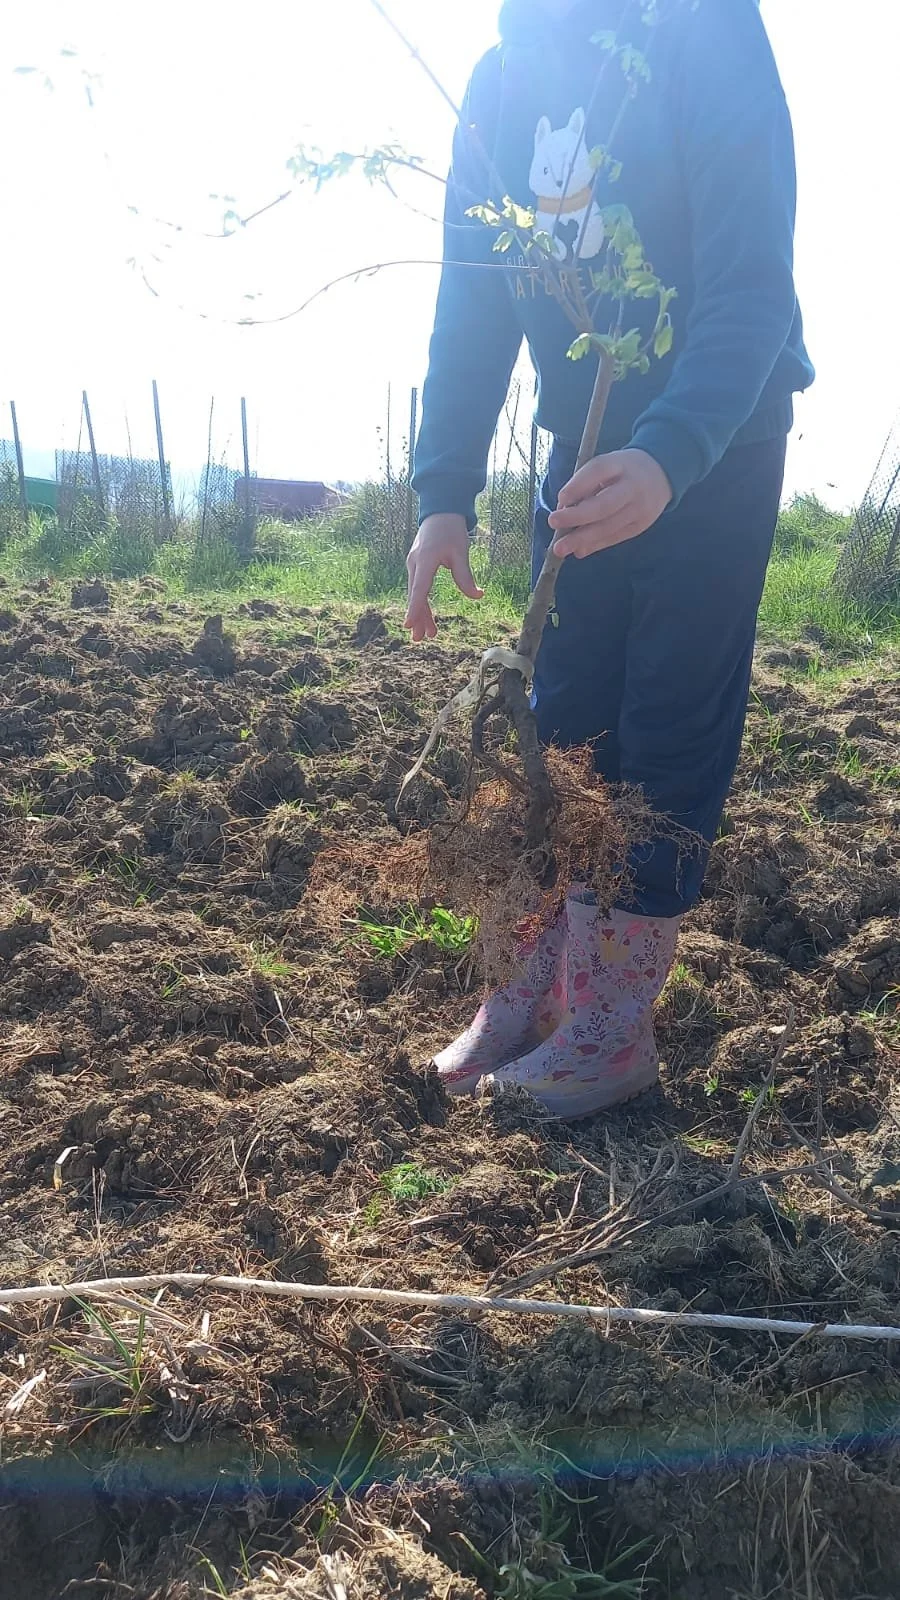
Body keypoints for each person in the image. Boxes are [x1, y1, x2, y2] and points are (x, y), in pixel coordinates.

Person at [406, 0, 814, 1118]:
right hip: (580, 456)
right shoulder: (503, 79)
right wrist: (444, 491)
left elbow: (751, 282)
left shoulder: (702, 30)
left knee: (666, 728)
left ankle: (610, 1025)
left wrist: (671, 454)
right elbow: (473, 293)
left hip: (713, 448)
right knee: (566, 723)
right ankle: (534, 989)